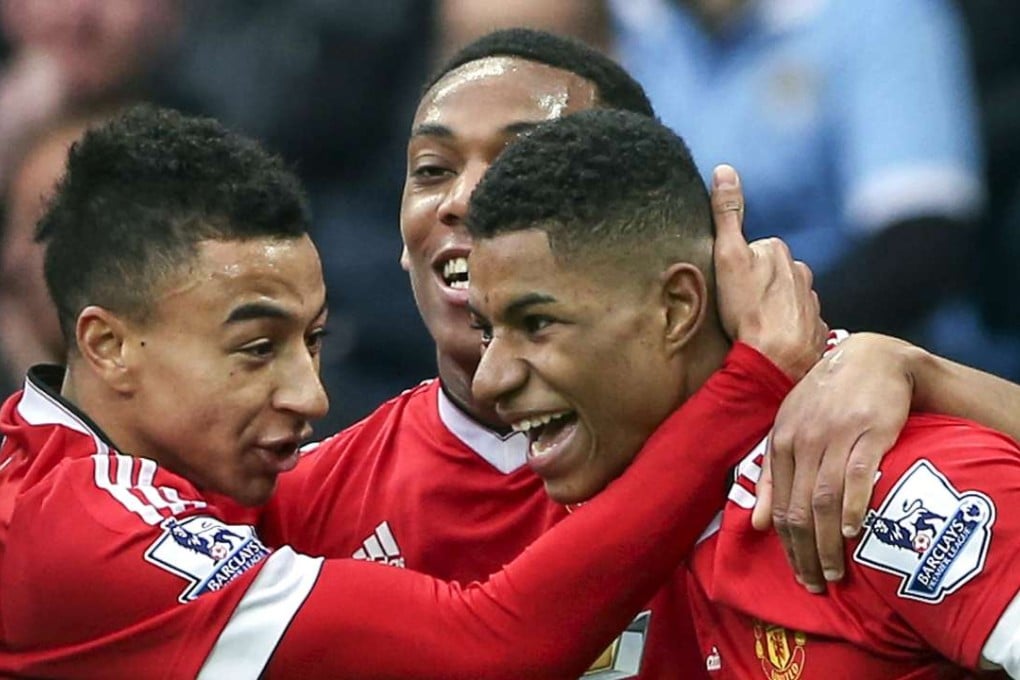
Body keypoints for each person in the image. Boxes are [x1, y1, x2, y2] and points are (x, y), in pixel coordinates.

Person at [262, 28, 1020, 677]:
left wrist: (915, 369)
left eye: (538, 322)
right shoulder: (302, 500)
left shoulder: (849, 462)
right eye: (432, 169)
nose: (467, 199)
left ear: (674, 301)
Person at [0, 104, 824, 678]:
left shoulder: (183, 485)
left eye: (313, 342)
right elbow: (491, 650)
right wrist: (751, 386)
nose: (311, 395)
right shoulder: (85, 531)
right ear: (108, 346)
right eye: (255, 349)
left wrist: (889, 363)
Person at [465, 108, 1020, 677]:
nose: (489, 379)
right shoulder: (571, 532)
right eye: (485, 331)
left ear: (676, 308)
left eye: (536, 323)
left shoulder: (873, 483)